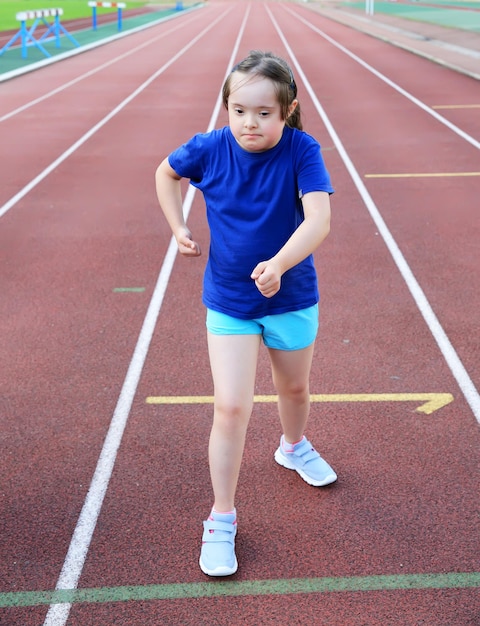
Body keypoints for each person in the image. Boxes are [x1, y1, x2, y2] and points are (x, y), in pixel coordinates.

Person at [155, 50, 336, 577]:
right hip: (231, 302)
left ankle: (293, 446)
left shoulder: (303, 151)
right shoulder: (209, 148)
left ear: (287, 111)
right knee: (230, 408)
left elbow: (319, 219)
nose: (248, 123)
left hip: (292, 296)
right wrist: (177, 226)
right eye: (238, 110)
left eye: (263, 113)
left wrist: (279, 265)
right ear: (226, 108)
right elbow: (165, 174)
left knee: (294, 392)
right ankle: (221, 517)